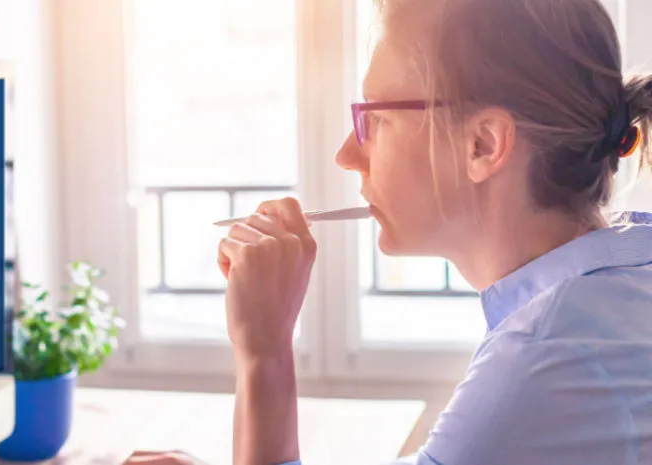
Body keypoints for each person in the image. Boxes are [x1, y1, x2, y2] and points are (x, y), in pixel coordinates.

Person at [125, 0, 652, 464]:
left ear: (484, 145)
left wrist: (264, 352)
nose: (347, 155)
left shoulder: (543, 358)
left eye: (374, 119)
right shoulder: (619, 283)